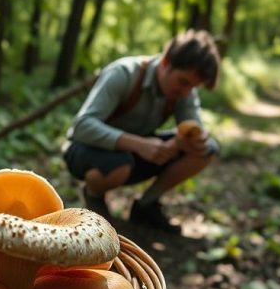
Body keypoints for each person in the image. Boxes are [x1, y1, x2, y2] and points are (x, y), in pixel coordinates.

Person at [63, 29, 221, 235]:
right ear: (166, 62)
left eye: (193, 86)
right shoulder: (123, 73)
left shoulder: (185, 91)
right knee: (119, 164)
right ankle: (94, 195)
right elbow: (81, 126)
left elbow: (193, 127)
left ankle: (146, 205)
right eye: (183, 82)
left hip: (134, 156)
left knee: (206, 150)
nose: (186, 92)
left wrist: (193, 140)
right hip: (87, 150)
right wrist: (139, 144)